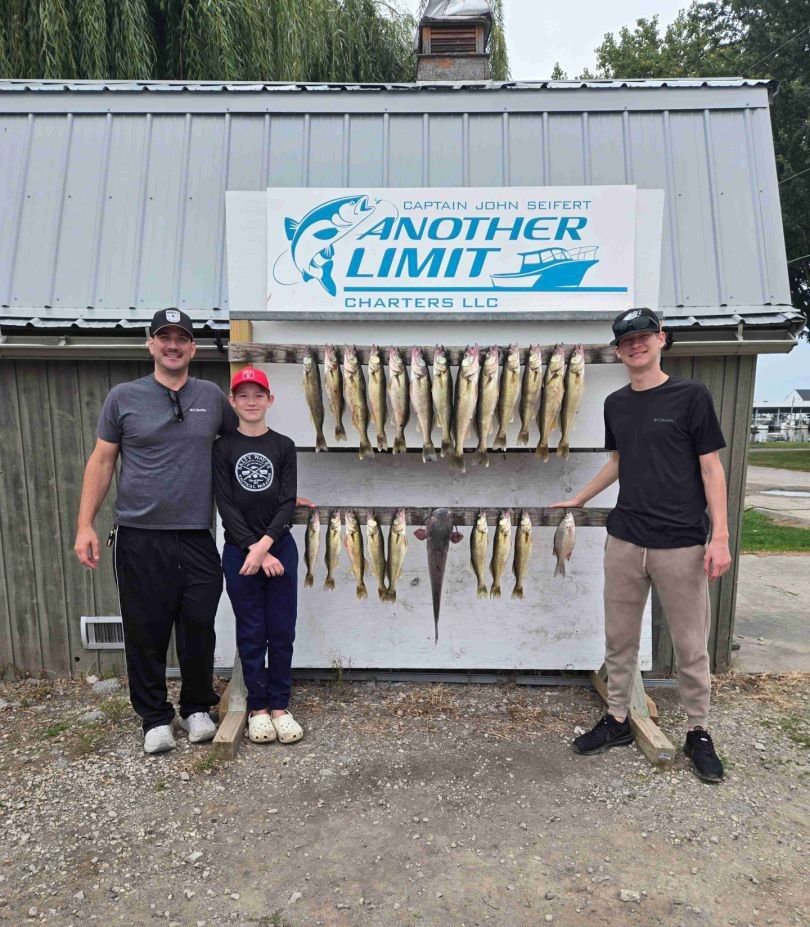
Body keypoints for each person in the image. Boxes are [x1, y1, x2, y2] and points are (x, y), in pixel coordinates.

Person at [552, 308, 731, 783]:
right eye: (626, 339)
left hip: (681, 544)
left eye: (644, 336)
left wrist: (720, 537)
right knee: (619, 639)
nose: (636, 344)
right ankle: (617, 721)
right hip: (626, 539)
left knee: (691, 645)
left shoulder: (692, 396)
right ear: (618, 349)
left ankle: (698, 731)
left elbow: (711, 468)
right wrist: (580, 497)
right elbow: (618, 461)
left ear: (661, 340)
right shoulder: (616, 403)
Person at [74, 309, 237, 754]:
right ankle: (154, 717)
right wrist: (85, 524)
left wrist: (279, 492)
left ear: (192, 348)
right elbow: (102, 461)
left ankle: (197, 707)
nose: (172, 344)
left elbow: (240, 450)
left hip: (196, 534)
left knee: (199, 625)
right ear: (150, 344)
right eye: (163, 337)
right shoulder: (123, 397)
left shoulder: (211, 397)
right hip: (139, 534)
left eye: (181, 337)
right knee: (146, 630)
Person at [213, 366, 304, 746]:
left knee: (281, 630)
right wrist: (253, 548)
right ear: (233, 401)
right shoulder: (223, 447)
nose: (252, 402)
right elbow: (226, 505)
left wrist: (266, 545)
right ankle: (257, 708)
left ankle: (281, 705)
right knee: (252, 631)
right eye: (243, 395)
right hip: (240, 552)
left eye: (258, 395)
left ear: (270, 400)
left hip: (278, 548)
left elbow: (286, 502)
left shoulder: (283, 446)